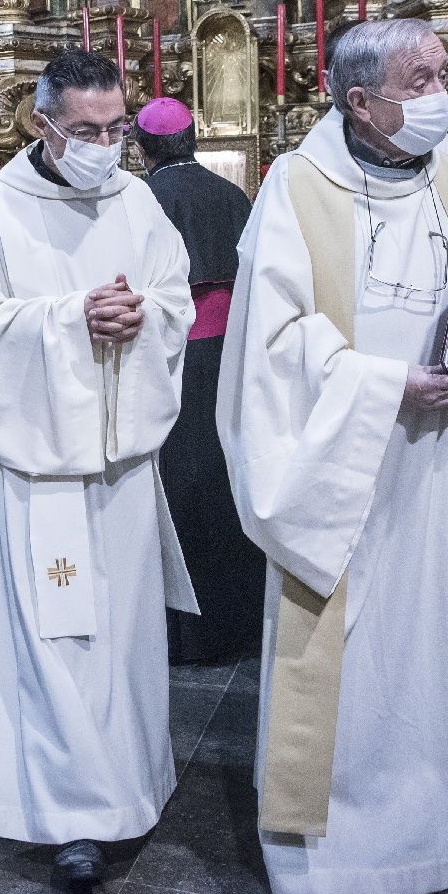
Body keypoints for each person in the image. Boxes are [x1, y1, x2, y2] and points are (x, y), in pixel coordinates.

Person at [218, 18, 448, 894]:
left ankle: (446, 804)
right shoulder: (296, 187)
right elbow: (275, 337)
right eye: (420, 79)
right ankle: (329, 848)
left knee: (443, 630)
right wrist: (381, 385)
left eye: (442, 73)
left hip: (445, 456)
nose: (441, 91)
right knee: (348, 648)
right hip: (344, 470)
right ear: (360, 99)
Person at [0, 50, 200, 891]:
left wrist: (145, 313)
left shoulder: (138, 201)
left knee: (119, 636)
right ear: (41, 124)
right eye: (84, 130)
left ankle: (126, 789)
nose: (103, 146)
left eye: (115, 128)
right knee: (54, 638)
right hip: (32, 467)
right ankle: (66, 817)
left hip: (117, 463)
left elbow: (175, 293)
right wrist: (70, 319)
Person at [130, 97, 263, 665]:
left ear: (142, 147)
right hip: (230, 358)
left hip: (167, 360)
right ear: (192, 140)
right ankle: (243, 623)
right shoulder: (233, 194)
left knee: (177, 491)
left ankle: (186, 636)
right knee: (229, 483)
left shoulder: (139, 201)